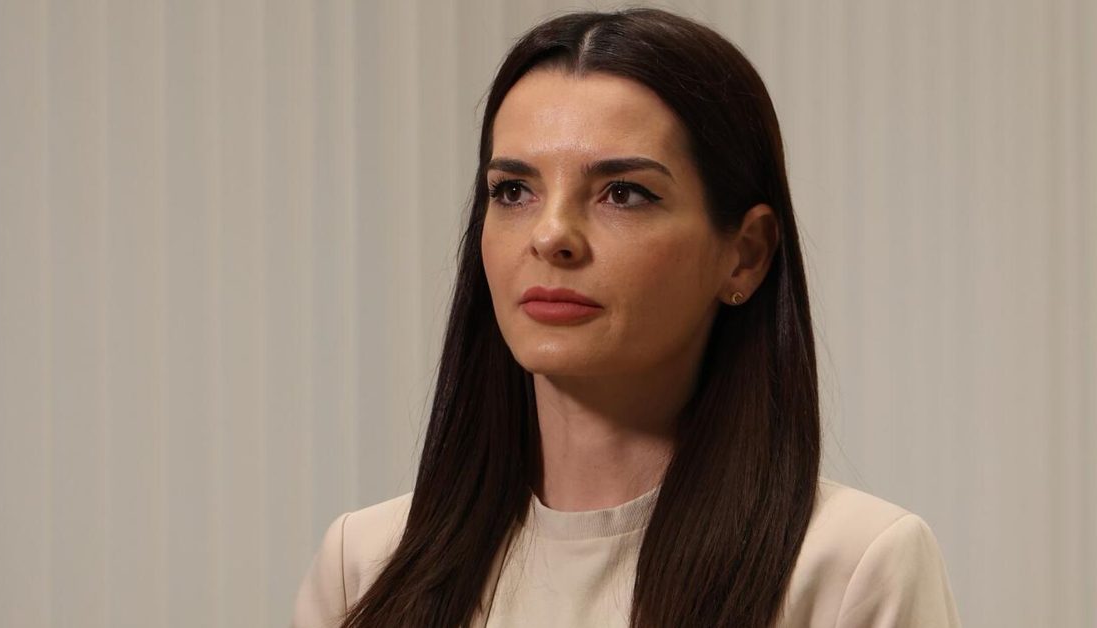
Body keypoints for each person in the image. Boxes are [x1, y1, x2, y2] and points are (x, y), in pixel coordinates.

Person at [294, 7, 961, 628]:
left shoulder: (853, 568)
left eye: (623, 193)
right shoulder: (364, 566)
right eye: (514, 191)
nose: (551, 236)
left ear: (745, 255)